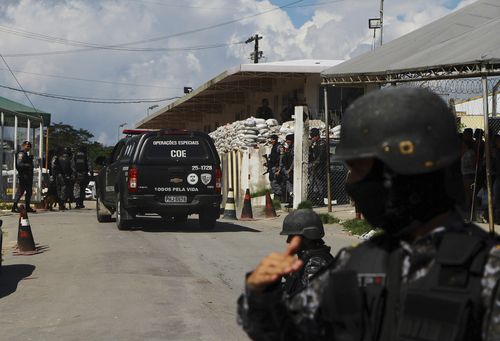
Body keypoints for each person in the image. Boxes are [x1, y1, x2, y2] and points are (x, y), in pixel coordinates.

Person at [237, 87, 500, 340]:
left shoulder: (488, 271)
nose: (352, 184)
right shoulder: (359, 265)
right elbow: (296, 332)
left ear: (395, 174)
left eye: (360, 170)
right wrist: (261, 296)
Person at [279, 209, 334, 297]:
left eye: (292, 237)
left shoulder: (316, 262)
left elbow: (310, 300)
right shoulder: (309, 257)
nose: (288, 241)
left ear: (307, 238)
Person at [12, 140, 35, 213]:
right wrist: (27, 165)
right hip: (23, 176)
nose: (28, 148)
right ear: (23, 146)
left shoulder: (26, 154)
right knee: (20, 192)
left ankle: (27, 206)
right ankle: (14, 207)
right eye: (27, 146)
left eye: (29, 147)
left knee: (29, 192)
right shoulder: (21, 154)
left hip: (28, 177)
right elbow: (19, 164)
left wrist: (30, 160)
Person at [309, 128, 327, 206]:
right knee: (314, 183)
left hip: (320, 167)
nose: (312, 138)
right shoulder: (315, 143)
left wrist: (315, 163)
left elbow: (321, 156)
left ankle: (321, 200)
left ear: (317, 136)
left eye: (313, 136)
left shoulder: (322, 143)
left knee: (319, 183)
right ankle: (315, 198)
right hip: (315, 166)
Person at [264, 135, 283, 200]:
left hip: (276, 167)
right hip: (272, 167)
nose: (271, 141)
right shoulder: (274, 147)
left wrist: (279, 168)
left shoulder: (279, 147)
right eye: (271, 139)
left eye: (273, 139)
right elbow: (273, 158)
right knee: (272, 181)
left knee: (275, 182)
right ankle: (276, 195)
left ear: (276, 140)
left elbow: (281, 158)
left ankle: (279, 196)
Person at [280, 134, 294, 208]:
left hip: (292, 170)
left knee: (291, 186)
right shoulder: (289, 148)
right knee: (289, 186)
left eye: (288, 141)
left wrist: (290, 170)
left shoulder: (294, 148)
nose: (287, 142)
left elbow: (294, 160)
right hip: (288, 170)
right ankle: (291, 200)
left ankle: (293, 201)